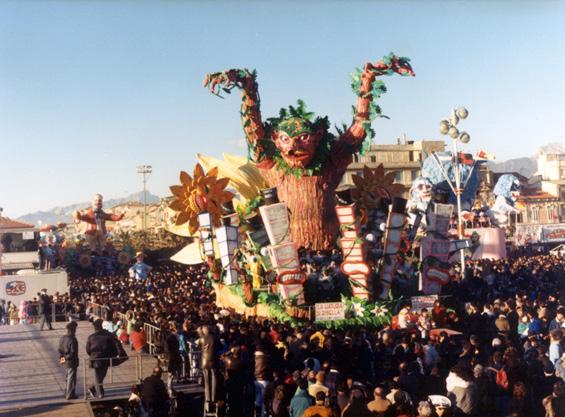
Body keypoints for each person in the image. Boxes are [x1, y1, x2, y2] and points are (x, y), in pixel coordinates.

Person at [86, 318, 117, 399]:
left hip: (95, 359)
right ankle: (99, 393)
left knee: (99, 377)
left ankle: (94, 389)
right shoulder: (108, 335)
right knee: (100, 376)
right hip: (106, 359)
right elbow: (113, 348)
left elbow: (88, 350)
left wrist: (93, 354)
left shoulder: (90, 337)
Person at [58, 321, 79, 400]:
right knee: (71, 377)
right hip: (71, 361)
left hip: (65, 360)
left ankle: (69, 392)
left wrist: (62, 359)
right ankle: (69, 394)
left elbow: (59, 349)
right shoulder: (73, 339)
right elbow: (73, 352)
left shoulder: (63, 338)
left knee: (68, 376)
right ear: (74, 330)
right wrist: (67, 358)